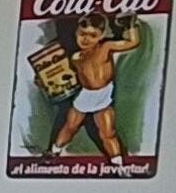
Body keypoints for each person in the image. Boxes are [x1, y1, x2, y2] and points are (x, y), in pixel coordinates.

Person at [38, 10, 145, 162]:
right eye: (82, 34)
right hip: (85, 95)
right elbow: (63, 76)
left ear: (101, 36)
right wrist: (44, 80)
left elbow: (133, 42)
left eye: (93, 35)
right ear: (76, 32)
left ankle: (118, 165)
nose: (86, 39)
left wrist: (130, 26)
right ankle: (54, 151)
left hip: (104, 95)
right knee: (70, 126)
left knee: (108, 133)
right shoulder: (75, 57)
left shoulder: (106, 47)